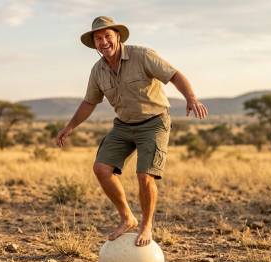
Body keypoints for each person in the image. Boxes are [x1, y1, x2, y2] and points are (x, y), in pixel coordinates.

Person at [56, 16, 208, 247]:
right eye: (98, 38)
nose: (103, 41)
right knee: (101, 168)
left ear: (117, 36)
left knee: (144, 176)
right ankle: (127, 217)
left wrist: (191, 98)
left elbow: (174, 75)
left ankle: (146, 226)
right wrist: (69, 127)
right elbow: (89, 102)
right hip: (124, 125)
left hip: (153, 123)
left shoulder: (142, 55)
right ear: (94, 44)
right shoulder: (97, 71)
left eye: (108, 36)